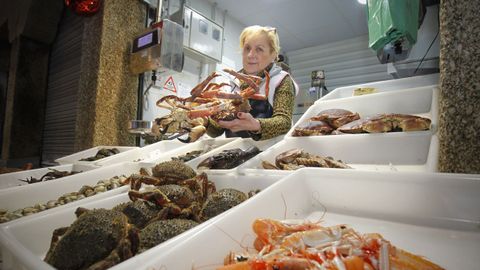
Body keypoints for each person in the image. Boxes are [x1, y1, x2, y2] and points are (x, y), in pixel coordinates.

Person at [206, 25, 299, 141]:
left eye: (259, 49)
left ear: (273, 55)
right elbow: (217, 130)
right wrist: (203, 121)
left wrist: (255, 125)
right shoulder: (233, 83)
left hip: (269, 152)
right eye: (247, 48)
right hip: (233, 152)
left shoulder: (281, 80)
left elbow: (284, 121)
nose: (250, 55)